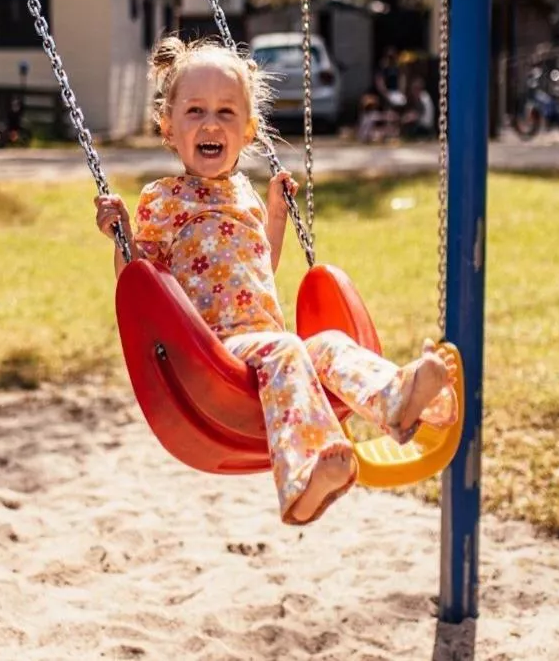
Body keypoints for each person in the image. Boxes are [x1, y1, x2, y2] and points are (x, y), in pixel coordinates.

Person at [93, 37, 457, 525]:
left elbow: (260, 266)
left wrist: (278, 217)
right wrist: (120, 237)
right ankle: (305, 482)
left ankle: (399, 399)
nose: (210, 123)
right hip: (211, 351)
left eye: (226, 113)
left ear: (247, 132)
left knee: (325, 343)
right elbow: (140, 283)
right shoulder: (162, 199)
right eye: (195, 111)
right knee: (288, 349)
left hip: (264, 342)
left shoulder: (244, 192)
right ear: (168, 128)